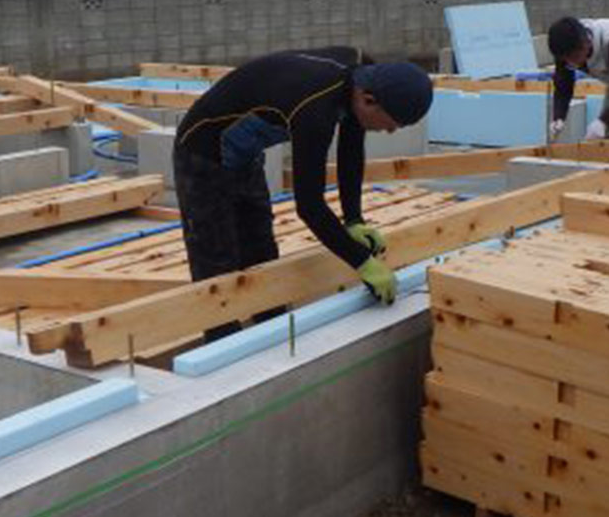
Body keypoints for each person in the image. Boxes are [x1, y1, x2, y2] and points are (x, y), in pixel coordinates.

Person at [173, 47, 434, 342]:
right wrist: (362, 261)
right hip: (201, 151)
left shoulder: (362, 76)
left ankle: (274, 335)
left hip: (244, 154)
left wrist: (354, 220)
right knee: (217, 264)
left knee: (261, 251)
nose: (390, 131)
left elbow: (350, 151)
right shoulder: (315, 109)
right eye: (390, 123)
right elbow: (309, 206)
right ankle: (223, 347)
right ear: (368, 99)